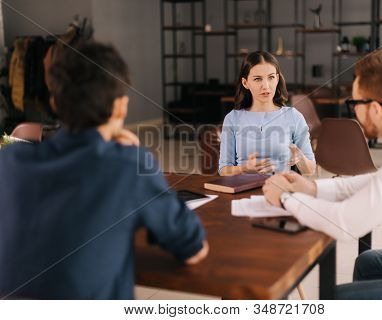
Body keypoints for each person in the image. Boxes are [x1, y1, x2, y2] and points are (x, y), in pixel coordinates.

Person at [0, 41, 208, 299]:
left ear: (54, 102)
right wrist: (131, 158)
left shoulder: (10, 161)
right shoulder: (129, 166)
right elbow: (193, 247)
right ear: (121, 106)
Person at [263, 50, 382, 299]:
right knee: (368, 262)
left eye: (354, 103)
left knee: (334, 299)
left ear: (374, 109)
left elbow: (344, 223)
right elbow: (380, 182)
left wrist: (285, 198)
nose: (353, 111)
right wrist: (312, 189)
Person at [218, 51, 316, 176]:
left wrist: (300, 158)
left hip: (280, 191)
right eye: (257, 79)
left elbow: (310, 170)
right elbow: (224, 170)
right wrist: (244, 168)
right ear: (245, 83)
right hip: (243, 192)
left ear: (277, 78)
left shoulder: (293, 116)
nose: (266, 86)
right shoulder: (232, 118)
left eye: (271, 77)